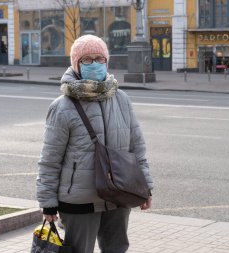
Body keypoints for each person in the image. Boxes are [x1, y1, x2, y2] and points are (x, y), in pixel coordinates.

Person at [36, 34, 153, 253]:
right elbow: (49, 160)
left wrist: (146, 188)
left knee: (117, 249)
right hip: (79, 201)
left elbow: (137, 149)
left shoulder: (122, 100)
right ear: (76, 64)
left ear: (107, 62)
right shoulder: (62, 107)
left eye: (100, 59)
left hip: (119, 195)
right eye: (87, 59)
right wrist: (47, 202)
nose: (95, 64)